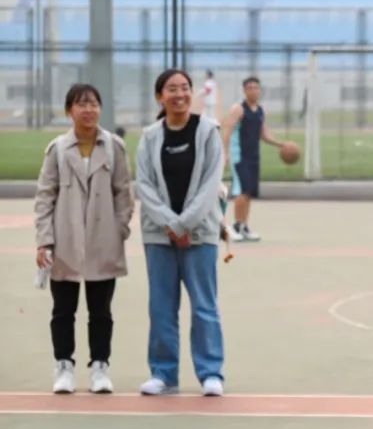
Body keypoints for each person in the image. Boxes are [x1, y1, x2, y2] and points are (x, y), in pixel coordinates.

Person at [33, 84, 133, 394]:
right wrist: (45, 240)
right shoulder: (57, 150)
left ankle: (99, 367)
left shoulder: (114, 147)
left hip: (104, 242)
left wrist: (119, 230)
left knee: (101, 312)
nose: (88, 110)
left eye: (93, 104)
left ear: (100, 108)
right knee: (63, 311)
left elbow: (124, 194)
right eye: (81, 104)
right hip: (65, 242)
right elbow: (45, 196)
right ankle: (64, 366)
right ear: (69, 111)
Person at [135, 69, 226, 397]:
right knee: (161, 307)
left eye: (185, 88)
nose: (180, 94)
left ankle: (211, 373)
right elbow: (144, 185)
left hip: (200, 235)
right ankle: (163, 374)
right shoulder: (149, 137)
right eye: (172, 89)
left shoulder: (208, 132)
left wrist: (184, 224)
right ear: (160, 97)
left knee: (204, 306)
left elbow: (211, 184)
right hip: (159, 236)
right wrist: (170, 225)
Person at [221, 76, 285, 242]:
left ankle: (244, 226)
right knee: (241, 191)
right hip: (239, 156)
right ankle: (235, 226)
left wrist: (281, 145)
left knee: (248, 192)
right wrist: (225, 154)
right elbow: (227, 130)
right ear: (244, 90)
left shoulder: (260, 110)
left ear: (260, 90)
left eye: (256, 88)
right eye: (249, 88)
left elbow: (264, 134)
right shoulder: (238, 109)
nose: (253, 91)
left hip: (253, 156)